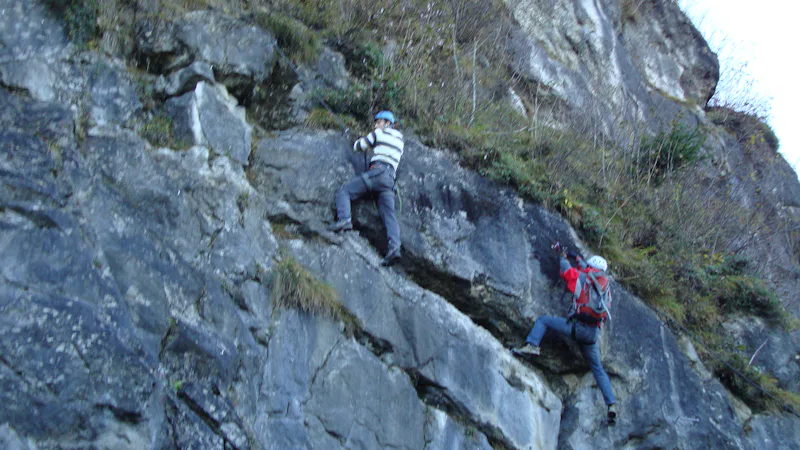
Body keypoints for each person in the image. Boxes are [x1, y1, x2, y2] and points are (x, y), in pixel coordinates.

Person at [513, 248, 617, 421]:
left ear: (590, 267)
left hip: (577, 328)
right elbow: (586, 269)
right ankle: (611, 404)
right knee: (598, 369)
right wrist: (575, 257)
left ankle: (532, 345)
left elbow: (566, 272)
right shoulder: (605, 287)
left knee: (543, 321)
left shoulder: (582, 279)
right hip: (592, 335)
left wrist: (563, 257)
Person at [329, 110, 404, 266]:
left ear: (387, 123)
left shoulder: (378, 133)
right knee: (389, 214)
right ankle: (394, 248)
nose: (376, 125)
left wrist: (353, 138)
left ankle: (344, 220)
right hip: (389, 180)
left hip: (377, 173)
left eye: (379, 122)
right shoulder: (400, 140)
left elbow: (359, 146)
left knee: (344, 191)